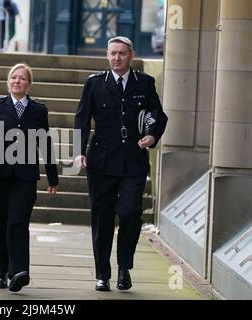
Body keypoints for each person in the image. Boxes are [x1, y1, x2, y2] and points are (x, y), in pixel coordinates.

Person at [74, 36, 167, 292]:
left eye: (122, 53)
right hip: (101, 161)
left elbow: (159, 114)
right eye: (113, 53)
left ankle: (124, 266)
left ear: (131, 55)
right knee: (102, 217)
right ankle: (102, 274)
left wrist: (152, 135)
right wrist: (78, 152)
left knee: (129, 213)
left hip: (133, 161)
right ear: (107, 55)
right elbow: (81, 120)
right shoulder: (94, 84)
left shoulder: (145, 83)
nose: (117, 58)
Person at [0, 63, 58, 292]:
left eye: (22, 78)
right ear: (8, 81)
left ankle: (19, 271)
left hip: (25, 176)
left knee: (18, 222)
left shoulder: (39, 110)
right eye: (14, 77)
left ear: (29, 84)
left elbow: (45, 142)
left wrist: (53, 177)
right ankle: (0, 272)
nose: (17, 81)